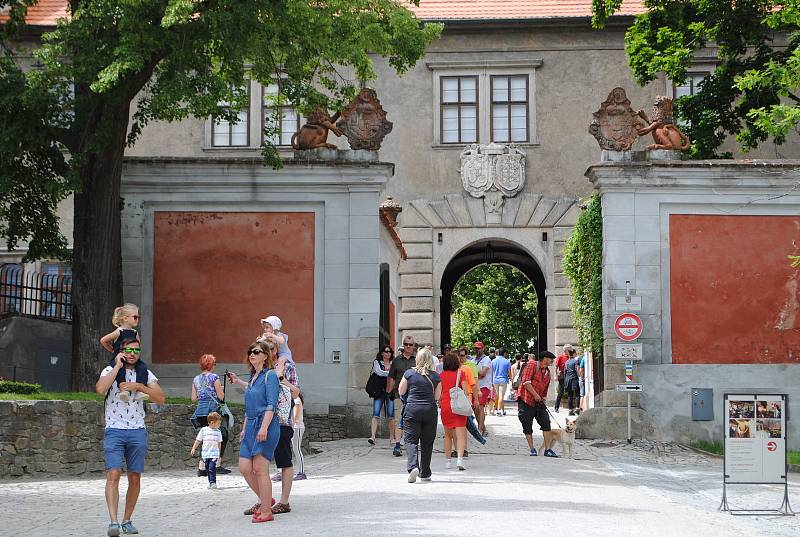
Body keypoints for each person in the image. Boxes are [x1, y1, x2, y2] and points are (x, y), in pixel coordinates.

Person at [94, 336, 165, 537]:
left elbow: (161, 398)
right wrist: (117, 367)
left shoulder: (145, 373)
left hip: (137, 430)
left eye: (136, 351)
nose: (132, 354)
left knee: (135, 477)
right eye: (129, 350)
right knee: (113, 474)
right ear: (121, 351)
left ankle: (127, 520)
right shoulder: (110, 370)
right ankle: (113, 522)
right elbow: (100, 389)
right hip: (114, 430)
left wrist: (139, 387)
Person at [228, 340, 281, 523]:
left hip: (266, 424)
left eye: (257, 352)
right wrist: (244, 429)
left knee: (260, 469)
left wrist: (264, 427)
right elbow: (250, 402)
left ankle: (266, 511)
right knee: (244, 468)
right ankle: (267, 499)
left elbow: (271, 404)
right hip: (250, 426)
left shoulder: (271, 376)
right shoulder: (254, 377)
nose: (252, 354)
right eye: (251, 351)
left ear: (265, 356)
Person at [398, 348, 441, 483]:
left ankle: (413, 467)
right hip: (429, 410)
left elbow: (401, 390)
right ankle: (425, 473)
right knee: (427, 443)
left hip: (412, 410)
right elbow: (437, 397)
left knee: (410, 440)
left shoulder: (409, 373)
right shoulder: (435, 376)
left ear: (418, 359)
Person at [269, 357, 300, 515]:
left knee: (284, 460)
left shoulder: (287, 366)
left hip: (281, 421)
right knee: (257, 462)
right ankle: (264, 499)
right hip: (262, 422)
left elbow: (295, 393)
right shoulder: (260, 366)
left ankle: (284, 501)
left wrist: (281, 377)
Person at [99, 303, 146, 404]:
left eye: (138, 317)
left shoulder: (135, 333)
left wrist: (135, 354)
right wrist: (112, 350)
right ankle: (123, 389)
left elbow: (138, 345)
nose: (137, 319)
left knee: (142, 367)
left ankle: (140, 390)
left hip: (132, 359)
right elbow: (103, 340)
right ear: (125, 318)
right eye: (135, 317)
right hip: (120, 358)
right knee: (121, 368)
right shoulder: (119, 332)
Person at [190, 354, 227, 477]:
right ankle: (216, 464)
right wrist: (220, 389)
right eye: (214, 363)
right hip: (212, 409)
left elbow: (193, 399)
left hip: (200, 411)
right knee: (220, 435)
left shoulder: (195, 379)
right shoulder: (214, 377)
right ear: (211, 365)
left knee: (205, 437)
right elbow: (221, 396)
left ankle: (201, 466)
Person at [517, 351, 558, 457]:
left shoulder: (548, 372)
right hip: (526, 399)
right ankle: (532, 449)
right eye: (550, 358)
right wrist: (535, 395)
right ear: (544, 358)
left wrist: (543, 399)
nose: (552, 361)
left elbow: (545, 389)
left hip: (539, 402)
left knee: (546, 423)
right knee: (527, 424)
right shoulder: (532, 364)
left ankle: (547, 449)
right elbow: (526, 381)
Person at [386, 335, 417, 457]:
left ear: (414, 346)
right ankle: (397, 445)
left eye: (410, 344)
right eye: (406, 344)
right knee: (400, 420)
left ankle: (411, 444)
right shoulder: (397, 360)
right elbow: (391, 378)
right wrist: (389, 392)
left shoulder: (417, 360)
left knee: (413, 421)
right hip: (399, 395)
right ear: (403, 345)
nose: (408, 347)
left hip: (414, 396)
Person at [439, 351, 469, 471]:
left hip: (446, 406)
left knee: (447, 435)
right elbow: (466, 391)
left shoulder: (441, 375)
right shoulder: (460, 374)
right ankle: (460, 460)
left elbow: (439, 394)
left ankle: (447, 461)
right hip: (458, 406)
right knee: (460, 435)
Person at [368, 347, 396, 447]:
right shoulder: (377, 362)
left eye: (390, 352)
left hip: (390, 391)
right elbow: (379, 372)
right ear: (382, 353)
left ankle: (392, 438)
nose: (388, 353)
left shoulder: (393, 362)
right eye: (386, 351)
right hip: (379, 391)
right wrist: (391, 374)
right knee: (375, 413)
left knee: (391, 415)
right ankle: (372, 437)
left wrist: (391, 374)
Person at [190, 412, 223, 490]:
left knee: (212, 468)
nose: (219, 425)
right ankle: (210, 482)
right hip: (205, 454)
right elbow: (198, 440)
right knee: (207, 468)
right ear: (212, 423)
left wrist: (219, 453)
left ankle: (213, 482)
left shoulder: (218, 432)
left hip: (214, 454)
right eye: (218, 423)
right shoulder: (203, 430)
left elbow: (219, 443)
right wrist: (194, 448)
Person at [470, 341, 492, 435]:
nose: (476, 350)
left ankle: (479, 430)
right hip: (475, 386)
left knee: (480, 407)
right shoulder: (472, 361)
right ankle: (484, 429)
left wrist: (473, 374)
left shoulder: (487, 359)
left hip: (484, 385)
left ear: (483, 349)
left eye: (478, 348)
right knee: (475, 408)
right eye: (475, 348)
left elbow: (483, 374)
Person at [491, 347, 511, 416]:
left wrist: (491, 381)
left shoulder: (493, 361)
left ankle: (503, 410)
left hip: (495, 380)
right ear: (504, 353)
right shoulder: (507, 361)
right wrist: (511, 380)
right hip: (503, 380)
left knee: (499, 396)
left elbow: (491, 372)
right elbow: (509, 372)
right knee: (501, 396)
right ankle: (499, 411)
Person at [291, 392, 306, 480]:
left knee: (297, 449)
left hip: (297, 427)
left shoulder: (296, 400)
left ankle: (302, 472)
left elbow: (295, 417)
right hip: (296, 427)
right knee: (295, 449)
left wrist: (291, 425)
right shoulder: (295, 400)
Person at [553, 344, 572, 413]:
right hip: (562, 376)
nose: (571, 351)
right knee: (561, 392)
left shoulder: (571, 357)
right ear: (566, 350)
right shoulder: (560, 357)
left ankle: (570, 409)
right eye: (570, 350)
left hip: (570, 376)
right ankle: (556, 407)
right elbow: (556, 367)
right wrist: (555, 375)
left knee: (570, 392)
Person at [563, 348, 581, 416]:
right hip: (574, 378)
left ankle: (570, 410)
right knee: (577, 394)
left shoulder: (566, 362)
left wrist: (565, 381)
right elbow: (577, 370)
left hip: (568, 379)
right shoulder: (575, 361)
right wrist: (580, 377)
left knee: (570, 395)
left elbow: (565, 371)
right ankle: (577, 409)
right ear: (573, 354)